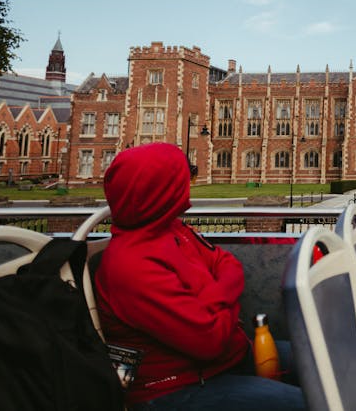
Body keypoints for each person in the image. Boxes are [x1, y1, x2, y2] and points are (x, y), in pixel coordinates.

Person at [94, 143, 305, 410]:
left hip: (228, 357)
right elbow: (210, 341)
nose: (189, 183)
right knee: (314, 403)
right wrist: (222, 301)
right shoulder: (131, 266)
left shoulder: (173, 230)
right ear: (160, 190)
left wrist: (209, 304)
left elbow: (227, 263)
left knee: (329, 362)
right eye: (184, 176)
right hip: (178, 388)